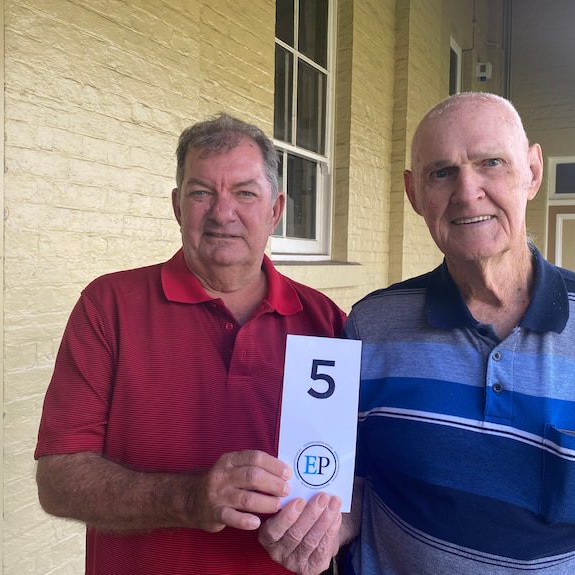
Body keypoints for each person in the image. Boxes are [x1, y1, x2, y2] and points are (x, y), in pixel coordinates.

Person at [337, 92, 575, 573]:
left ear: (532, 172)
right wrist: (331, 517)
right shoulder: (369, 329)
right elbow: (351, 479)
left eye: (491, 162)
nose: (467, 191)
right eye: (441, 172)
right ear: (414, 193)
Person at [34, 113, 347, 575]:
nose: (223, 213)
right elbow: (58, 480)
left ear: (276, 209)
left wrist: (342, 525)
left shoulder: (326, 322)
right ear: (178, 206)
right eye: (203, 193)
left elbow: (367, 476)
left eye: (245, 193)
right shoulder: (108, 306)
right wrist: (188, 498)